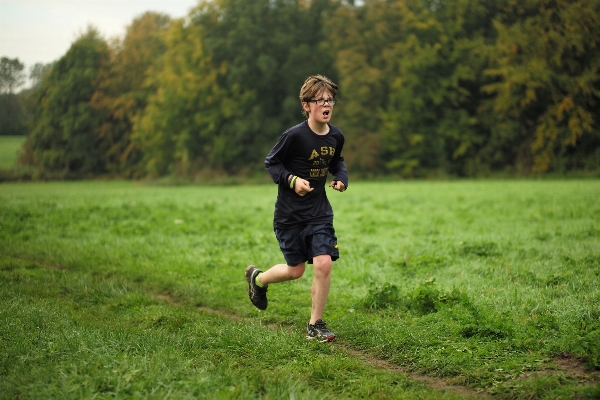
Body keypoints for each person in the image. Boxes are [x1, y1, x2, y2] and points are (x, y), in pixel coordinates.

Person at [245, 75, 348, 342]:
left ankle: (316, 325)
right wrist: (292, 181)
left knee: (323, 263)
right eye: (320, 100)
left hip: (319, 213)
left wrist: (340, 179)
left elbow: (337, 162)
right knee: (296, 270)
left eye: (330, 99)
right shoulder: (294, 136)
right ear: (306, 105)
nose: (327, 104)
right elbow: (272, 163)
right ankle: (258, 279)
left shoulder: (336, 135)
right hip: (290, 216)